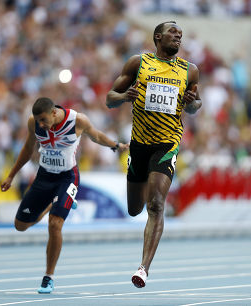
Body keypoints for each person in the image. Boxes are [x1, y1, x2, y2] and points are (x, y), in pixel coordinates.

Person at [106, 21, 201, 288]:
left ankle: (143, 268)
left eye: (180, 34)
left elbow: (196, 105)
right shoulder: (138, 63)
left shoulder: (189, 70)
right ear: (158, 37)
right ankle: (143, 187)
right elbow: (109, 98)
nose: (178, 35)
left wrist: (192, 102)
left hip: (167, 143)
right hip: (139, 144)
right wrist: (125, 96)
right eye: (173, 32)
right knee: (135, 209)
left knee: (157, 204)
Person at [1, 97, 127, 293]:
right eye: (38, 121)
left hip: (67, 177)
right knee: (20, 226)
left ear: (54, 113)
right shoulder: (33, 123)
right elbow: (27, 149)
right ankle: (54, 203)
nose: (41, 125)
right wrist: (11, 175)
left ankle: (48, 277)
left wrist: (115, 145)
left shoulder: (78, 120)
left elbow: (96, 136)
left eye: (43, 120)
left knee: (55, 224)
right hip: (44, 177)